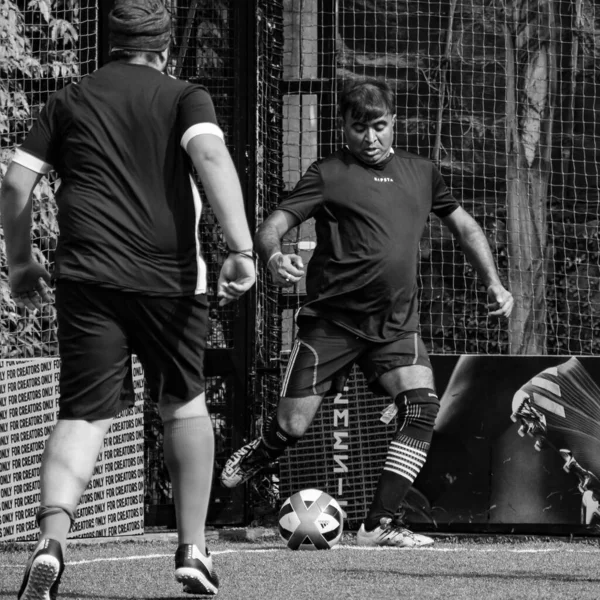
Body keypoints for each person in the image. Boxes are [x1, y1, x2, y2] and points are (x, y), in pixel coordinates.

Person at [0, 1, 254, 598]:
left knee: (82, 414)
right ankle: (192, 547)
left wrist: (19, 262)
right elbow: (211, 156)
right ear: (165, 48)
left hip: (86, 278)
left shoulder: (69, 99)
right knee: (185, 404)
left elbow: (15, 181)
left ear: (108, 46)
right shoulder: (184, 96)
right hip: (168, 279)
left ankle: (51, 543)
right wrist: (241, 247)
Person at [220, 77, 513, 547]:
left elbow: (465, 227)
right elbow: (273, 224)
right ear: (344, 127)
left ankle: (379, 522)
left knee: (422, 408)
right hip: (331, 324)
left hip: (396, 325)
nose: (370, 138)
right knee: (293, 426)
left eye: (379, 126)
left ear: (393, 124)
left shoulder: (423, 172)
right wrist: (274, 256)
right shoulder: (327, 172)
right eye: (360, 128)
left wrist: (495, 282)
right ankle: (267, 449)